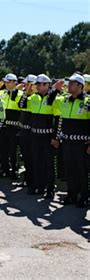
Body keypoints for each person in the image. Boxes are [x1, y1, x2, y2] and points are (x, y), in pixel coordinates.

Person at [19, 74, 61, 198]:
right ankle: (38, 185)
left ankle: (50, 188)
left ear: (47, 85)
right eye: (37, 84)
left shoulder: (54, 99)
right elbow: (21, 105)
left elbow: (58, 119)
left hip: (48, 137)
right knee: (36, 162)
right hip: (35, 135)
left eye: (40, 84)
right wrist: (26, 92)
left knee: (49, 164)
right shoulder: (34, 98)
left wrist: (56, 137)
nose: (37, 87)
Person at [54, 74, 89, 208]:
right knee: (70, 170)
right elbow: (50, 102)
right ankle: (71, 194)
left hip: (82, 143)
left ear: (80, 86)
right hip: (67, 142)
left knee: (83, 171)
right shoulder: (65, 100)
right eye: (69, 83)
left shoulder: (87, 101)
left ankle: (85, 196)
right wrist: (55, 89)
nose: (69, 86)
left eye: (72, 84)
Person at [0, 73, 22, 179]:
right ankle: (5, 169)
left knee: (13, 151)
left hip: (14, 127)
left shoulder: (20, 94)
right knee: (3, 150)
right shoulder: (2, 93)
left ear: (14, 82)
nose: (5, 84)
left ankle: (14, 171)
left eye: (7, 82)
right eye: (5, 82)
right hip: (3, 127)